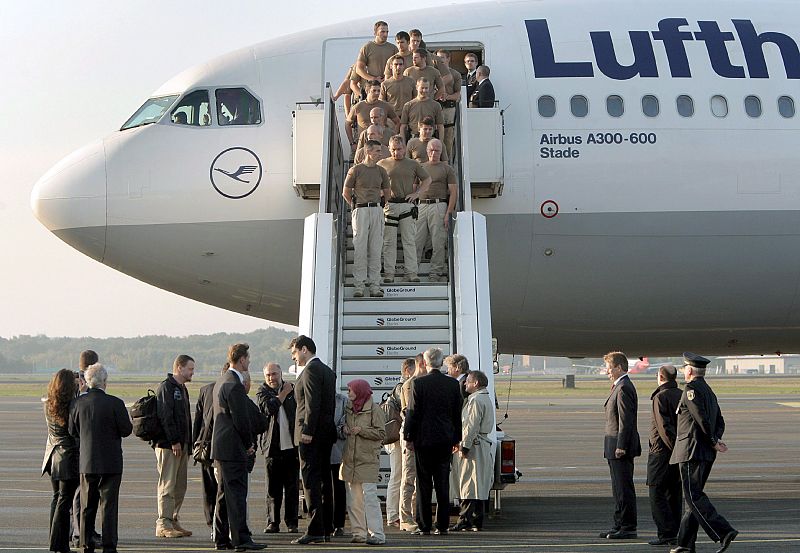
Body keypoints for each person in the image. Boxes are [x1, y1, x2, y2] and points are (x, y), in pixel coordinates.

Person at [669, 353, 738, 553]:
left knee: (693, 496)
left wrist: (713, 440)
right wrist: (715, 440)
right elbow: (720, 420)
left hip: (692, 450)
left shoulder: (690, 390)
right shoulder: (709, 391)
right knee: (692, 499)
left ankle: (724, 531)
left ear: (689, 370)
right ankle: (685, 543)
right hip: (705, 452)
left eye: (684, 368)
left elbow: (700, 418)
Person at [69, 363, 133, 553]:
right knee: (109, 506)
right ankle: (109, 545)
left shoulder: (77, 403)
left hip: (87, 462)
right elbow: (126, 430)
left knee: (87, 505)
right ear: (104, 381)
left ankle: (86, 542)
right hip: (111, 462)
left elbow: (73, 431)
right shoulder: (115, 403)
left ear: (87, 381)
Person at [210, 343, 266, 551]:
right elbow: (241, 420)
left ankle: (221, 538)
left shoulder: (222, 381)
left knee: (224, 495)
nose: (249, 362)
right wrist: (249, 444)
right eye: (248, 358)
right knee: (236, 495)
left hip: (223, 448)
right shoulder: (234, 384)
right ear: (241, 359)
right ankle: (241, 538)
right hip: (233, 449)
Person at [404, 347, 463, 536]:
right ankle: (443, 525)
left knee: (423, 484)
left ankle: (424, 525)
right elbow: (457, 415)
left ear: (425, 363)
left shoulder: (419, 384)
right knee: (442, 482)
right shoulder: (452, 384)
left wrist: (408, 436)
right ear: (441, 361)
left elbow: (412, 413)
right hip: (445, 439)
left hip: (424, 440)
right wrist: (457, 438)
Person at [289, 335, 337, 545]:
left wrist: (307, 430)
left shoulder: (310, 371)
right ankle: (326, 527)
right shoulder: (326, 370)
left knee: (310, 481)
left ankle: (315, 529)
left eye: (294, 353)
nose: (294, 358)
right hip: (325, 435)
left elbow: (312, 404)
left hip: (311, 436)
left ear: (304, 349)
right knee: (326, 481)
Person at [600, 351, 641, 540]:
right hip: (614, 446)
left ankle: (628, 526)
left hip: (620, 447)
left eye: (609, 368)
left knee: (624, 489)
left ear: (619, 367)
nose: (607, 372)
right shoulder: (619, 386)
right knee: (618, 489)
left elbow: (626, 421)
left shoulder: (624, 388)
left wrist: (621, 445)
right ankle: (619, 524)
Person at [378, 135, 430, 284]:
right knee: (389, 242)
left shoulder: (412, 164)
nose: (396, 153)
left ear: (405, 148)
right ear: (389, 148)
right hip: (390, 205)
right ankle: (389, 273)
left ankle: (412, 273)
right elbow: (376, 181)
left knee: (409, 241)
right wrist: (382, 194)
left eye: (399, 149)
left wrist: (417, 193)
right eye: (393, 149)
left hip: (407, 205)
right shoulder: (382, 164)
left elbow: (427, 179)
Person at [342, 140, 391, 298]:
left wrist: (382, 205)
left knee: (376, 248)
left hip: (376, 209)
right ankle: (359, 286)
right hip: (361, 209)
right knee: (360, 249)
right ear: (368, 152)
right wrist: (355, 206)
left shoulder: (381, 171)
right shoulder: (355, 170)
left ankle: (375, 285)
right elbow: (346, 192)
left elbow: (387, 191)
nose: (380, 153)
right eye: (377, 151)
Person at [340, 379, 387, 545]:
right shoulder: (348, 409)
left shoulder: (375, 410)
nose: (348, 394)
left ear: (359, 391)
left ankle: (377, 534)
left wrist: (362, 431)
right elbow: (340, 425)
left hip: (367, 459)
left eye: (351, 390)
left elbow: (382, 433)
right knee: (354, 500)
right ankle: (358, 532)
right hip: (350, 460)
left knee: (370, 498)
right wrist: (344, 429)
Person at [154, 354, 195, 539]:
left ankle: (173, 519)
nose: (192, 372)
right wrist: (174, 441)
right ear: (179, 368)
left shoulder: (182, 388)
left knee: (180, 486)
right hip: (169, 446)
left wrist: (189, 443)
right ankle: (163, 523)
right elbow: (165, 416)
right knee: (167, 485)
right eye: (190, 369)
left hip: (182, 444)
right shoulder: (166, 387)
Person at [256, 362, 299, 534]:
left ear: (281, 373)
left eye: (274, 374)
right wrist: (283, 393)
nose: (271, 378)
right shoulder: (262, 391)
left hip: (291, 447)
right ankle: (273, 522)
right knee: (272, 489)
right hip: (272, 447)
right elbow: (269, 408)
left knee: (292, 487)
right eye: (268, 375)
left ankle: (292, 522)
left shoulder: (293, 390)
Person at [451, 370, 494, 532]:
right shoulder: (484, 398)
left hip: (474, 445)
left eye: (468, 381)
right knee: (479, 484)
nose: (464, 383)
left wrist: (465, 446)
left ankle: (465, 519)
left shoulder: (475, 400)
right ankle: (477, 519)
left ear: (475, 383)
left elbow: (471, 426)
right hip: (481, 444)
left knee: (468, 483)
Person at [43, 369, 79, 553]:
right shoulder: (72, 406)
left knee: (57, 498)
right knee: (65, 500)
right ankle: (59, 544)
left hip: (52, 455)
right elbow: (75, 432)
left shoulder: (49, 403)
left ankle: (54, 539)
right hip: (67, 457)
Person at [647, 364, 683, 546]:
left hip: (662, 453)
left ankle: (666, 533)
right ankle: (675, 531)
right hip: (679, 452)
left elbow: (664, 428)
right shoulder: (681, 394)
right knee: (675, 493)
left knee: (656, 491)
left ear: (660, 377)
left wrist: (672, 450)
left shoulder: (660, 397)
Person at [71, 350, 101, 549]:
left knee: (82, 494)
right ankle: (80, 532)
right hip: (81, 446)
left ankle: (84, 530)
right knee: (80, 494)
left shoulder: (72, 380)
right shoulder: (83, 384)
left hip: (79, 445)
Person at [418, 138, 458, 282]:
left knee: (438, 241)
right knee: (416, 239)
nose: (434, 153)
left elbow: (453, 192)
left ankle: (436, 272)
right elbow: (413, 187)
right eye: (431, 150)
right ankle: (412, 271)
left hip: (438, 205)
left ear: (441, 152)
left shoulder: (447, 169)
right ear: (427, 150)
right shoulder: (420, 167)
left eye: (437, 150)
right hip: (421, 205)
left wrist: (448, 212)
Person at [193, 363, 226, 534]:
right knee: (222, 485)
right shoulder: (231, 389)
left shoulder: (205, 389)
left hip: (205, 443)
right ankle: (219, 521)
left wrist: (195, 443)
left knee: (208, 485)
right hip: (219, 444)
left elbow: (198, 420)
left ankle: (210, 520)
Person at [385, 358, 414, 528]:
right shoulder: (402, 388)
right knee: (397, 475)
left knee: (400, 475)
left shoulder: (401, 387)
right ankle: (392, 514)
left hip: (398, 437)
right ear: (406, 371)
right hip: (397, 438)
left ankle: (396, 513)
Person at [399, 355, 427, 532]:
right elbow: (410, 413)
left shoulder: (422, 382)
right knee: (409, 478)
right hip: (412, 436)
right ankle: (405, 518)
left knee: (419, 481)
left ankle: (416, 515)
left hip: (423, 436)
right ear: (422, 364)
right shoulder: (411, 384)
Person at [346, 80, 399, 152]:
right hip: (365, 142)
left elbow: (397, 122)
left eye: (378, 91)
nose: (377, 93)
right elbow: (347, 124)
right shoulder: (358, 107)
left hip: (382, 144)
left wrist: (392, 136)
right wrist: (352, 143)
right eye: (374, 90)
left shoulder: (385, 106)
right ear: (367, 91)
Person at [434, 50, 462, 160]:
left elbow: (458, 95)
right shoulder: (433, 73)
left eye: (442, 58)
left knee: (448, 139)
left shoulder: (455, 74)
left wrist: (447, 96)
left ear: (448, 59)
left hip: (449, 109)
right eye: (437, 58)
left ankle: (448, 164)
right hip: (435, 107)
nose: (439, 60)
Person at [329, 391, 349, 537]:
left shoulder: (342, 400)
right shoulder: (314, 397)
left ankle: (339, 524)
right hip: (319, 451)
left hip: (337, 450)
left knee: (339, 488)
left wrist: (334, 431)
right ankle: (325, 523)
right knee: (323, 489)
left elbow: (345, 423)